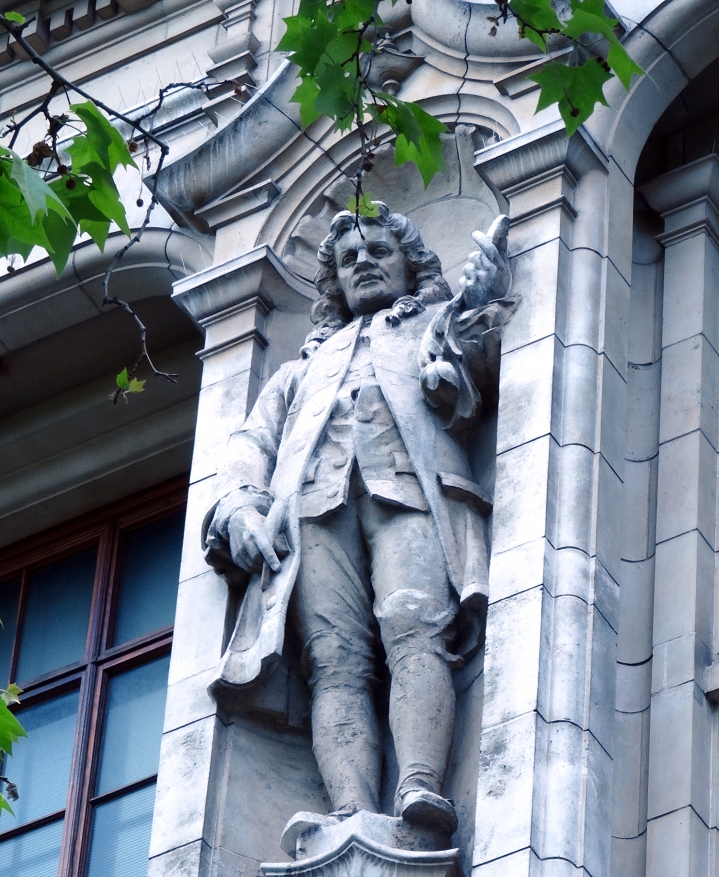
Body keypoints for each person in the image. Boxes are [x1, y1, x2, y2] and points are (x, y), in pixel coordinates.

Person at [203, 201, 518, 837]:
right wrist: (240, 505)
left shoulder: (432, 323)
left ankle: (420, 783)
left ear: (410, 264)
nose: (363, 263)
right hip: (314, 513)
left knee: (413, 621)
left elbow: (481, 358)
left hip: (410, 493)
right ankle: (350, 809)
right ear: (335, 284)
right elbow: (250, 445)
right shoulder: (300, 370)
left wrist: (483, 294)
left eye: (378, 251)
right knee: (336, 658)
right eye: (349, 259)